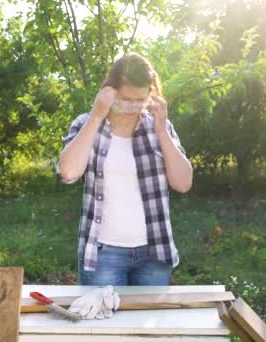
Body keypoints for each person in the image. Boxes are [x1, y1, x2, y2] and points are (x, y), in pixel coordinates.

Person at [56, 52, 193, 286]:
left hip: (154, 253)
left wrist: (161, 130)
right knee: (100, 322)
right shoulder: (86, 123)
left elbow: (183, 183)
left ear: (151, 95)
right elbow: (68, 172)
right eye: (126, 99)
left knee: (146, 322)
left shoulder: (160, 127)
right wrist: (97, 115)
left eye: (140, 100)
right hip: (103, 255)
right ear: (110, 92)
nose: (133, 107)